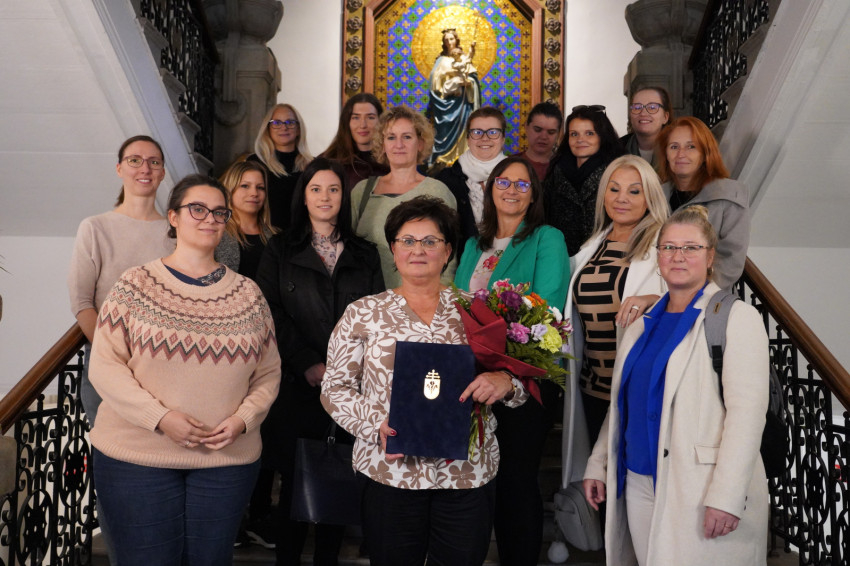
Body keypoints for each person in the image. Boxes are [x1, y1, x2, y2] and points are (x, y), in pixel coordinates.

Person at [321, 195, 528, 566]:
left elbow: (521, 382)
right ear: (393, 249)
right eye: (408, 240)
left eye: (430, 241)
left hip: (466, 474)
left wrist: (506, 382)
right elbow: (335, 389)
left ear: (447, 251)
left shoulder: (478, 310)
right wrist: (376, 424)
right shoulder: (363, 313)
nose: (418, 250)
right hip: (390, 472)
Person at [88, 174, 281, 565]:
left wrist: (244, 419)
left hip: (225, 461)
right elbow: (105, 367)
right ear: (173, 217)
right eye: (197, 209)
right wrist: (159, 418)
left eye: (219, 212)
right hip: (136, 458)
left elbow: (268, 373)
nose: (209, 218)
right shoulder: (135, 285)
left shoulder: (248, 294)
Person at [583, 205, 769, 566]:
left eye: (690, 247)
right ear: (658, 256)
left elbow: (747, 417)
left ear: (710, 257)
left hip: (698, 486)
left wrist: (727, 496)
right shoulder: (641, 324)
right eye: (668, 247)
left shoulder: (736, 318)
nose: (677, 256)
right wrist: (598, 462)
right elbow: (624, 402)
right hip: (639, 481)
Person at [255, 157, 384, 565]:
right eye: (316, 189)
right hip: (297, 385)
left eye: (333, 189)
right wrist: (307, 361)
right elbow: (268, 312)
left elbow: (375, 318)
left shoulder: (365, 253)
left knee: (339, 486)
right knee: (293, 487)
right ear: (304, 196)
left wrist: (346, 372)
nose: (325, 197)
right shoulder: (280, 248)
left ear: (343, 196)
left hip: (350, 390)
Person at [454, 155, 569, 566]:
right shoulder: (473, 244)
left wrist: (506, 370)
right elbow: (457, 306)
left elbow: (547, 310)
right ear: (490, 189)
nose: (512, 190)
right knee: (477, 482)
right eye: (504, 182)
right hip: (473, 379)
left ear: (533, 195)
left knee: (515, 484)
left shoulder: (547, 238)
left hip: (524, 379)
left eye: (523, 184)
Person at [67, 134, 175, 562]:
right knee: (119, 474)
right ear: (119, 168)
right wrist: (117, 357)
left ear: (163, 171)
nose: (144, 168)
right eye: (134, 160)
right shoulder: (95, 227)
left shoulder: (175, 231)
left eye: (153, 161)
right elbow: (82, 303)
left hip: (168, 372)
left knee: (161, 472)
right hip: (108, 371)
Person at [350, 105, 457, 289]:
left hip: (422, 298)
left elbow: (449, 258)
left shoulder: (437, 191)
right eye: (391, 137)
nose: (398, 145)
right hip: (368, 298)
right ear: (382, 144)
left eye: (407, 137)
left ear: (420, 143)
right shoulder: (362, 191)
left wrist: (441, 298)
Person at [657, 116, 750, 288]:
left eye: (691, 146)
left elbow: (730, 261)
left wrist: (692, 294)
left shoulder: (729, 195)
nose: (681, 154)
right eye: (674, 147)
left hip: (707, 296)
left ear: (705, 153)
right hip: (656, 292)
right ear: (665, 154)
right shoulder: (655, 196)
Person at [545, 105, 625, 255]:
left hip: (603, 255)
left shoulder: (617, 171)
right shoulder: (556, 170)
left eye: (589, 133)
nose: (580, 140)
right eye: (574, 134)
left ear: (602, 136)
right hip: (560, 255)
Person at [433, 106, 508, 257]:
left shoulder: (519, 177)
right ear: (468, 138)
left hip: (510, 261)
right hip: (460, 263)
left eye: (493, 132)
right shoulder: (445, 180)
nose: (485, 138)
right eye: (477, 132)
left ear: (503, 138)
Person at [248, 103, 312, 230]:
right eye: (277, 123)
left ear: (298, 129)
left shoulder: (312, 165)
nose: (284, 127)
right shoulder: (255, 162)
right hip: (266, 234)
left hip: (303, 234)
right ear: (268, 129)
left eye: (290, 122)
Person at [427, 29, 481, 166]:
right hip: (444, 105)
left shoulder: (463, 58)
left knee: (464, 130)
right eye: (446, 40)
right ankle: (442, 160)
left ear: (456, 40)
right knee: (443, 133)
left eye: (451, 39)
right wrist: (447, 76)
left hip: (462, 104)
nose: (449, 42)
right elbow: (434, 82)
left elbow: (472, 77)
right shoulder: (441, 60)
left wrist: (469, 83)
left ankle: (463, 158)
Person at [215, 160, 278, 279]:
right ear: (230, 189)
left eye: (260, 187)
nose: (254, 193)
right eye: (245, 186)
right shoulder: (215, 232)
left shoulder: (277, 237)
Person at [320, 93, 389, 189]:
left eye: (370, 117)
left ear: (381, 121)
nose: (363, 125)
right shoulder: (327, 161)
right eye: (356, 117)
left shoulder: (392, 159)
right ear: (346, 122)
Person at [619, 87, 672, 166]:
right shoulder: (614, 151)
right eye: (637, 107)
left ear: (665, 117)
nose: (643, 113)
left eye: (652, 107)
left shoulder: (677, 150)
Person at [513, 102, 563, 181]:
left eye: (551, 132)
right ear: (526, 127)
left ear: (559, 133)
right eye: (537, 130)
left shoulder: (566, 166)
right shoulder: (509, 164)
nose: (543, 137)